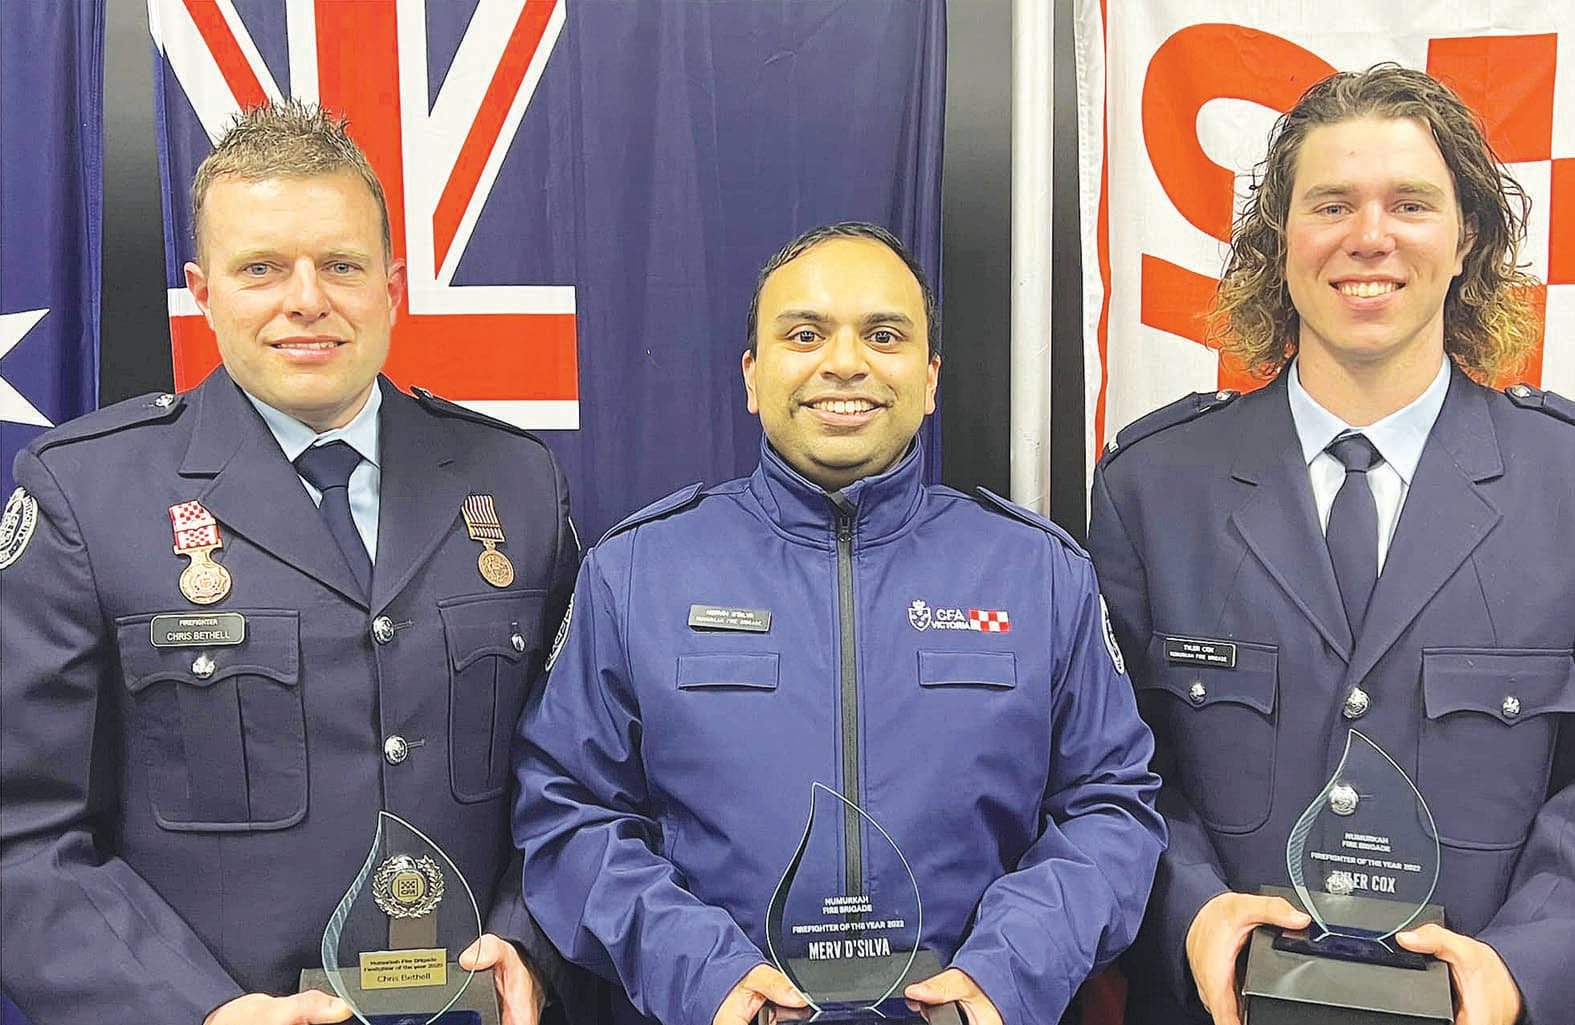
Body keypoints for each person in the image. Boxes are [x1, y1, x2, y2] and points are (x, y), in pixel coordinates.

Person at [0, 101, 590, 1025]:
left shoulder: (514, 481)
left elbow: (576, 780)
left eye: (342, 265)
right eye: (262, 268)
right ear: (203, 290)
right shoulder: (87, 497)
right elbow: (22, 835)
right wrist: (191, 1010)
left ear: (392, 285)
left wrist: (529, 943)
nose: (306, 299)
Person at [514, 221, 1166, 1025]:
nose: (845, 361)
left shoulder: (1037, 574)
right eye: (804, 333)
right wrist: (707, 980)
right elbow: (568, 814)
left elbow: (1109, 808)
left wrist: (1005, 975)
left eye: (883, 334)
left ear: (929, 378)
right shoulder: (636, 572)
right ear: (752, 376)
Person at [1088, 65, 1575, 1025]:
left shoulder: (1564, 482)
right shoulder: (1152, 485)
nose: (1369, 237)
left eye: (1410, 203)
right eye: (1330, 203)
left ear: (1465, 235)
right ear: (1279, 236)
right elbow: (1113, 772)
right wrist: (1191, 911)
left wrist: (1524, 962)